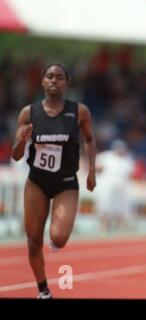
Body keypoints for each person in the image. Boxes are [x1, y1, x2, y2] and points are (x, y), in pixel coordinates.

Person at [11, 62, 97, 299]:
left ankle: (58, 234)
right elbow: (16, 154)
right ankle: (43, 290)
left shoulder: (78, 111)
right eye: (49, 76)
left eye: (59, 77)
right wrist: (22, 140)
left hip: (65, 182)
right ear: (42, 81)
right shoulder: (29, 113)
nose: (54, 81)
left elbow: (90, 139)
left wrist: (91, 171)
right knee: (32, 240)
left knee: (58, 237)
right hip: (37, 181)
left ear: (66, 83)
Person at [95, 139, 135, 232]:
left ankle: (120, 226)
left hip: (122, 184)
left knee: (121, 206)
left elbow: (131, 173)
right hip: (107, 182)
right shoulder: (106, 156)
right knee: (105, 204)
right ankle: (104, 226)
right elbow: (96, 167)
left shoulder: (128, 159)